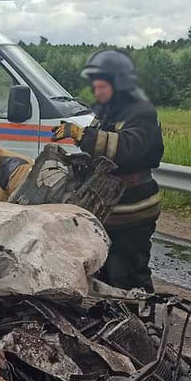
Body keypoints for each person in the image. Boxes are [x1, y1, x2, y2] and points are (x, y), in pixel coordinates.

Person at [53, 49, 164, 291]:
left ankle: (144, 320)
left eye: (102, 86)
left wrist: (84, 136)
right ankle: (117, 320)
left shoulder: (141, 112)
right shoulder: (105, 114)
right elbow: (100, 153)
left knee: (128, 273)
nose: (97, 92)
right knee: (105, 272)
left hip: (134, 208)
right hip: (112, 207)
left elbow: (129, 148)